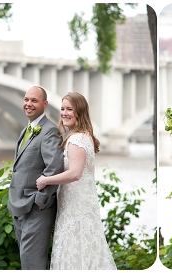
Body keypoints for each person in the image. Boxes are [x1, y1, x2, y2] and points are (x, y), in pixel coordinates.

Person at [35, 92, 116, 270]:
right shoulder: (84, 136)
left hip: (75, 207)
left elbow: (75, 174)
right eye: (62, 109)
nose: (64, 113)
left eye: (69, 109)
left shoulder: (77, 139)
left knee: (74, 250)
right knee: (85, 250)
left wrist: (45, 180)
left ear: (79, 112)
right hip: (79, 204)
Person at [8, 86, 64, 269]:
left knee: (33, 264)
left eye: (34, 100)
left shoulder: (49, 131)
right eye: (26, 100)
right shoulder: (27, 129)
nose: (28, 104)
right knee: (27, 262)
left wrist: (40, 201)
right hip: (19, 207)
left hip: (36, 208)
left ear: (45, 104)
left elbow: (54, 168)